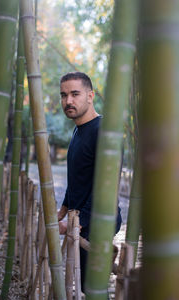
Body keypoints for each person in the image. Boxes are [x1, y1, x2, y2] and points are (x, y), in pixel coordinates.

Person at [58, 71, 122, 292]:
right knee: (87, 287)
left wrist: (78, 222)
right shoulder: (79, 130)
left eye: (75, 94)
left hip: (98, 221)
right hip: (83, 220)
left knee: (93, 287)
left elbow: (104, 185)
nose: (68, 101)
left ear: (90, 95)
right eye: (64, 95)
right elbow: (77, 179)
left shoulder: (103, 132)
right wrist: (63, 210)